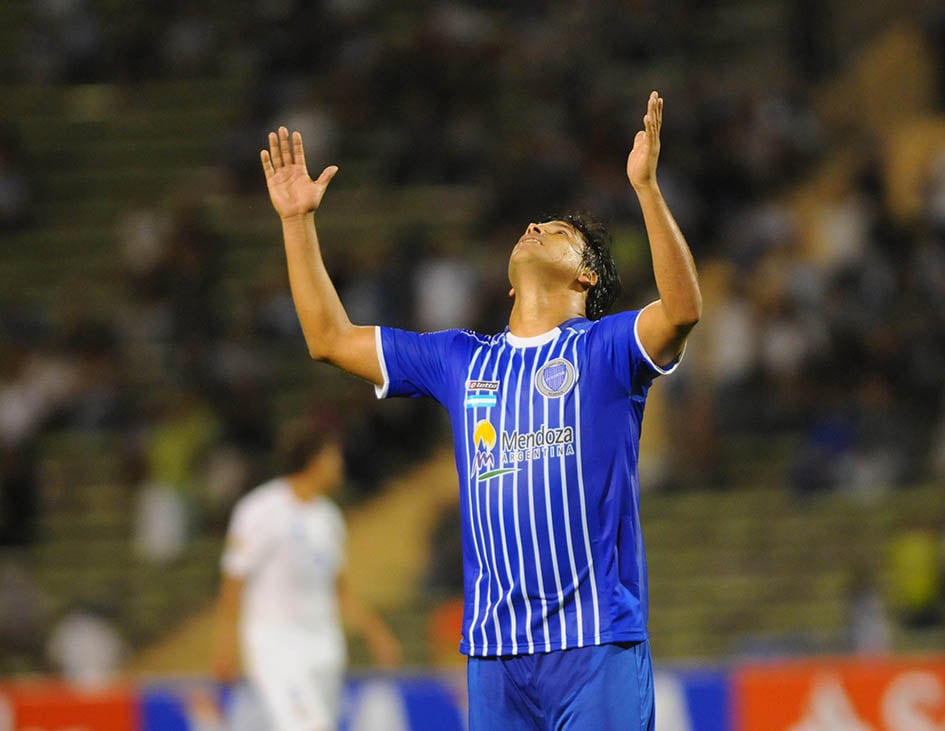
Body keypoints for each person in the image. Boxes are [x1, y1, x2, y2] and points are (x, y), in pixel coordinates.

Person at [261, 90, 701, 730]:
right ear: (506, 280)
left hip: (596, 641)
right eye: (534, 225)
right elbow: (328, 339)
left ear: (584, 278)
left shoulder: (607, 350)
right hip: (495, 653)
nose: (536, 227)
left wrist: (646, 190)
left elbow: (683, 311)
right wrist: (297, 223)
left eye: (560, 232)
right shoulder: (460, 359)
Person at [211, 422, 402, 731]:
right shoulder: (260, 510)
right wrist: (225, 647)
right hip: (277, 643)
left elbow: (338, 590)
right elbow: (234, 584)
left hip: (324, 645)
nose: (340, 463)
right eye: (335, 455)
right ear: (317, 459)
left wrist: (376, 633)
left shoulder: (329, 518)